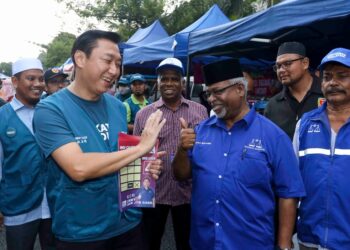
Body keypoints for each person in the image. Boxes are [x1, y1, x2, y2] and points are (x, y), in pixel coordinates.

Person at [33, 30, 165, 250]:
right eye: (107, 61)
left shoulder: (116, 107)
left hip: (128, 223)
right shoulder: (50, 110)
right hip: (81, 233)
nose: (114, 71)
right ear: (80, 58)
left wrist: (145, 165)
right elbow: (78, 167)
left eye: (118, 63)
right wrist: (142, 147)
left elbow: (117, 156)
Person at [172, 58, 305, 250]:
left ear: (240, 90)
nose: (211, 99)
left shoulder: (273, 136)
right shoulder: (200, 131)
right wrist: (182, 150)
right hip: (204, 241)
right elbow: (181, 175)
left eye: (217, 91)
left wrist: (284, 245)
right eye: (208, 93)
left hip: (251, 243)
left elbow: (289, 194)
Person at [134, 57, 208, 250]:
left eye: (174, 78)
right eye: (164, 78)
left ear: (182, 82)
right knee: (150, 242)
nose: (169, 83)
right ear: (157, 82)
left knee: (188, 244)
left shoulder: (199, 111)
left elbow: (205, 150)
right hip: (154, 193)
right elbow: (135, 154)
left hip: (189, 193)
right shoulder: (144, 114)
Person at [293, 48, 350, 250]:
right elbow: (292, 182)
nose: (333, 83)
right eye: (327, 77)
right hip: (309, 237)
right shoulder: (306, 124)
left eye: (342, 76)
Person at [0, 58, 55, 250]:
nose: (38, 84)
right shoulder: (2, 117)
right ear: (15, 82)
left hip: (54, 204)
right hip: (18, 205)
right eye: (31, 78)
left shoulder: (51, 112)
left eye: (41, 79)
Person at [265, 41, 324, 139]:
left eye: (287, 64)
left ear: (305, 63)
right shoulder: (273, 106)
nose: (281, 70)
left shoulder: (328, 95)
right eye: (278, 66)